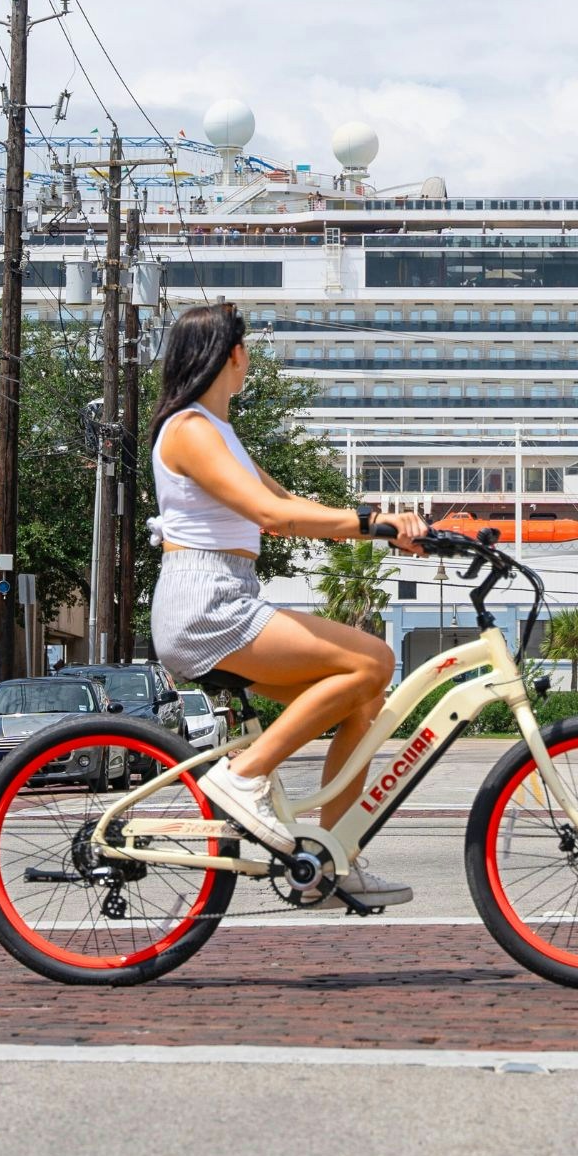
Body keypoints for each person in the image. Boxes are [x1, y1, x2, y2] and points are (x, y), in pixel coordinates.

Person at [147, 301, 425, 904]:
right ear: (233, 355)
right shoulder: (190, 430)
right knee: (373, 659)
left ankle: (334, 860)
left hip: (226, 596)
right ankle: (242, 778)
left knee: (362, 698)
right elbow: (273, 515)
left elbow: (289, 504)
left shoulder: (220, 433)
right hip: (205, 604)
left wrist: (390, 529)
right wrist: (375, 523)